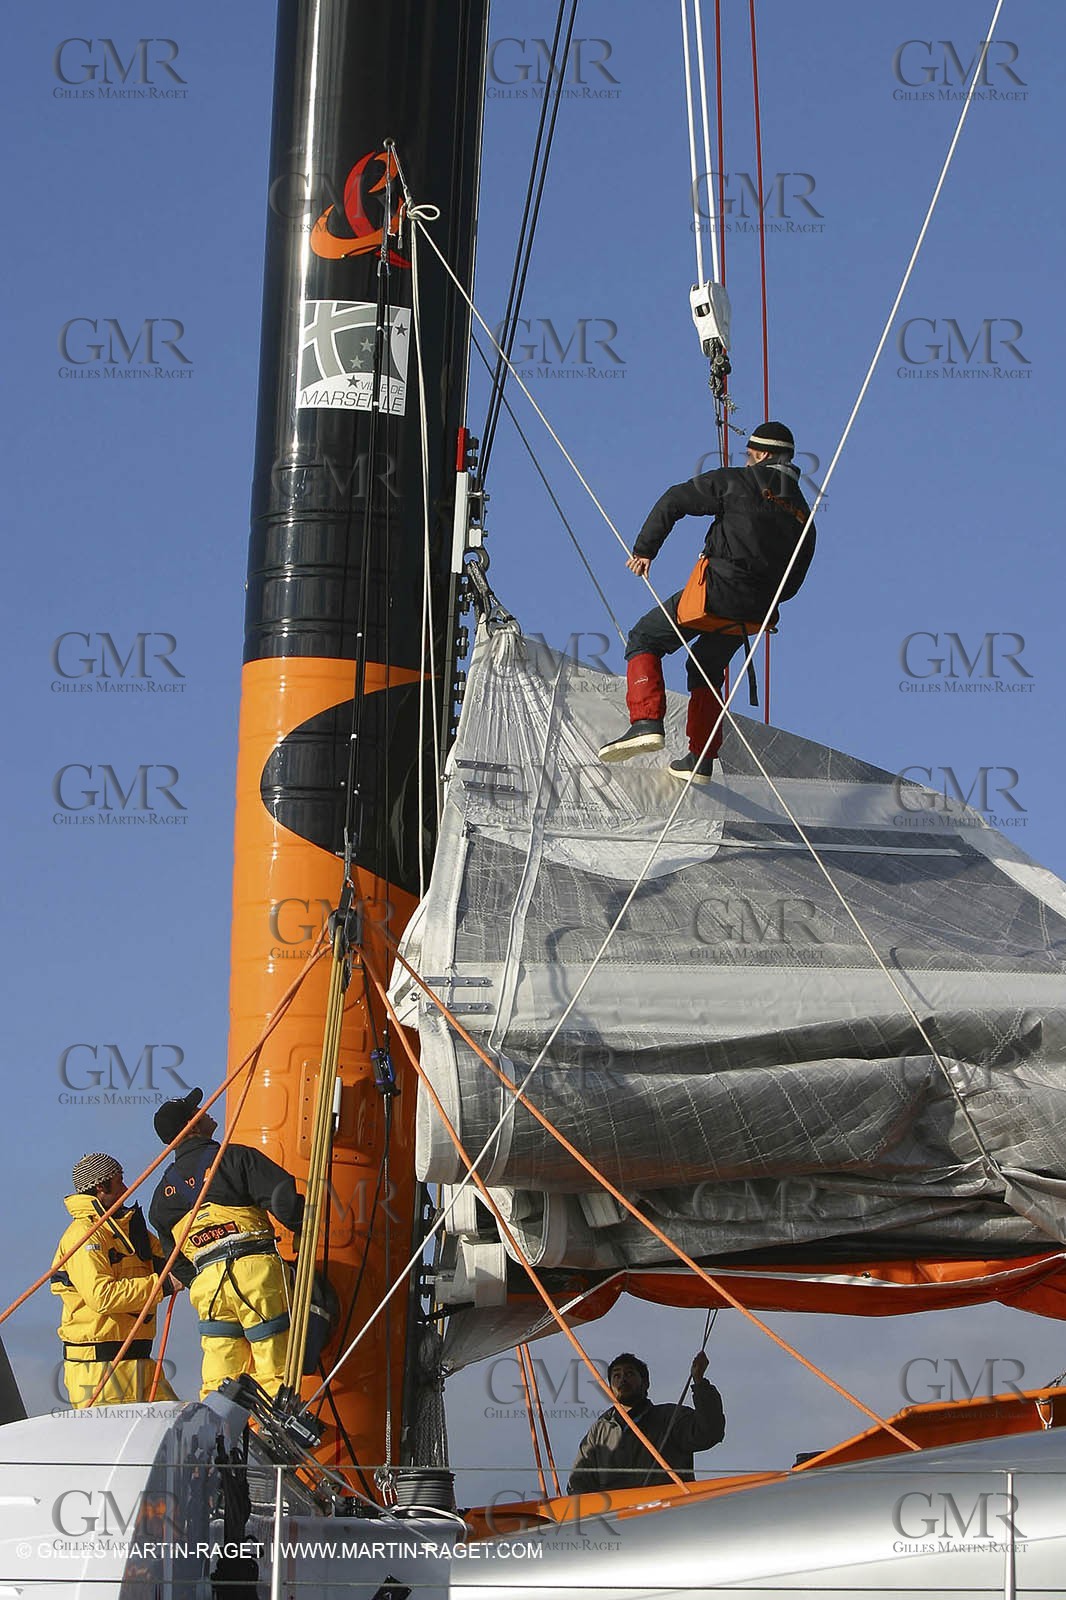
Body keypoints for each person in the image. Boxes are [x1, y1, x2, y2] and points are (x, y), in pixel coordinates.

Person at [599, 422, 816, 784]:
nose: (747, 461)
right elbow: (793, 582)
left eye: (750, 454)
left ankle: (646, 721)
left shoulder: (739, 481)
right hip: (755, 613)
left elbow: (674, 499)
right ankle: (701, 758)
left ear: (762, 454)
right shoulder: (803, 515)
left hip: (715, 594)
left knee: (644, 638)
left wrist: (644, 550)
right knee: (706, 667)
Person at [148, 1087, 304, 1399]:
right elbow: (286, 1204)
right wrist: (309, 1229)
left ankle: (218, 1428)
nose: (205, 1110)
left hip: (209, 1289)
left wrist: (202, 1279)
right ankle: (279, 1425)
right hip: (256, 1274)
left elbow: (176, 1263)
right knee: (275, 1370)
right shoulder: (234, 1158)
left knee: (220, 1382)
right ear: (192, 1125)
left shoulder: (161, 1198)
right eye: (197, 1110)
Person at [51, 1152, 181, 1408]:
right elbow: (102, 1296)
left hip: (140, 1362)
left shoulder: (129, 1230)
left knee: (180, 1426)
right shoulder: (84, 1235)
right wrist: (163, 1285)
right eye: (119, 1180)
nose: (126, 1187)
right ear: (101, 1186)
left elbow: (175, 1259)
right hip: (99, 1371)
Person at [567, 1350, 725, 1494]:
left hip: (666, 1510)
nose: (622, 1380)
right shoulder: (600, 1430)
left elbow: (709, 1432)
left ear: (645, 1383)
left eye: (629, 1374)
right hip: (617, 1513)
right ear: (610, 1388)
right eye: (616, 1376)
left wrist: (699, 1382)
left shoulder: (670, 1417)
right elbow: (578, 1482)